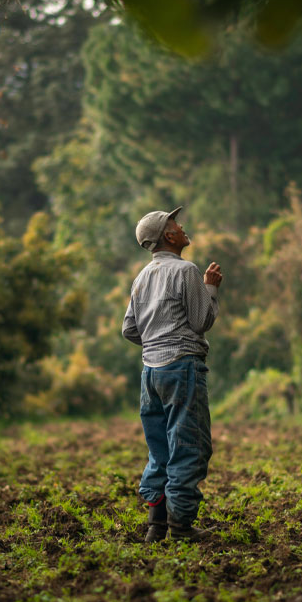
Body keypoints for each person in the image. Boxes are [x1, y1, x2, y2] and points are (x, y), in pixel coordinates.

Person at [122, 206, 222, 542]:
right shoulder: (187, 271)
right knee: (189, 446)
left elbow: (129, 329)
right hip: (182, 367)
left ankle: (156, 525)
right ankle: (180, 527)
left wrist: (155, 341)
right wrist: (210, 289)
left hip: (150, 373)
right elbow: (201, 321)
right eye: (175, 223)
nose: (181, 226)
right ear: (168, 235)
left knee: (160, 448)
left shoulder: (142, 277)